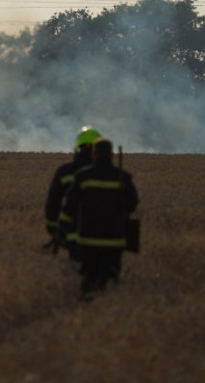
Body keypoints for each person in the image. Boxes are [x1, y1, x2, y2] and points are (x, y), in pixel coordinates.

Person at [62, 137, 139, 301]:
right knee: (111, 278)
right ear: (112, 156)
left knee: (89, 278)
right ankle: (109, 309)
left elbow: (70, 206)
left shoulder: (83, 176)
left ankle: (87, 308)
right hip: (115, 241)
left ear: (94, 154)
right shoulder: (123, 177)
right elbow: (132, 204)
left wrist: (62, 229)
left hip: (88, 240)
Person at [44, 126, 102, 261]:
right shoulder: (112, 173)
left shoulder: (65, 172)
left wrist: (52, 228)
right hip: (109, 238)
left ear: (78, 148)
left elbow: (53, 203)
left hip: (74, 236)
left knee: (77, 272)